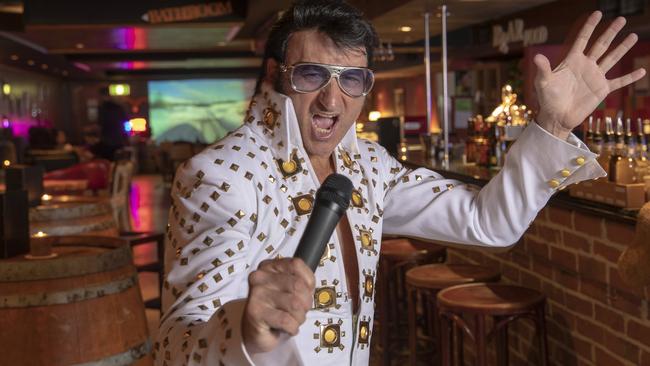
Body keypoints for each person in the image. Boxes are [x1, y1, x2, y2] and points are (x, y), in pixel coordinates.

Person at [154, 1, 645, 365]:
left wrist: (552, 126)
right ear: (276, 76)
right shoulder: (222, 175)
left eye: (352, 79)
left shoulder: (368, 164)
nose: (332, 100)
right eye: (311, 74)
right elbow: (178, 341)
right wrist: (247, 332)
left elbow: (487, 222)